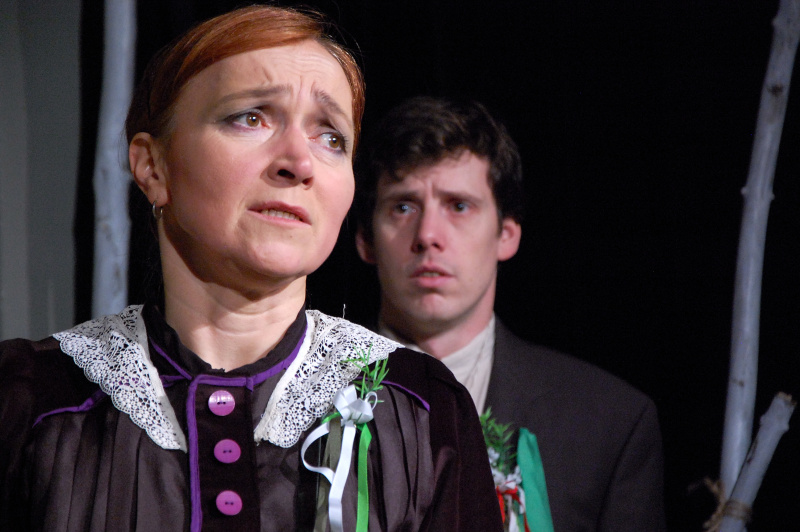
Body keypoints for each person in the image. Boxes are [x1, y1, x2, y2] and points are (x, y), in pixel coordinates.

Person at [0, 9, 502, 531]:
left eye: (331, 137)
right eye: (251, 118)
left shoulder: (423, 408)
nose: (298, 162)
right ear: (153, 166)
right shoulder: (30, 399)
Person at [355, 96, 667, 531]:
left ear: (507, 235)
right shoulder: (298, 397)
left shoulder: (607, 422)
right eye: (403, 206)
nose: (427, 235)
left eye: (458, 206)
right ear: (366, 241)